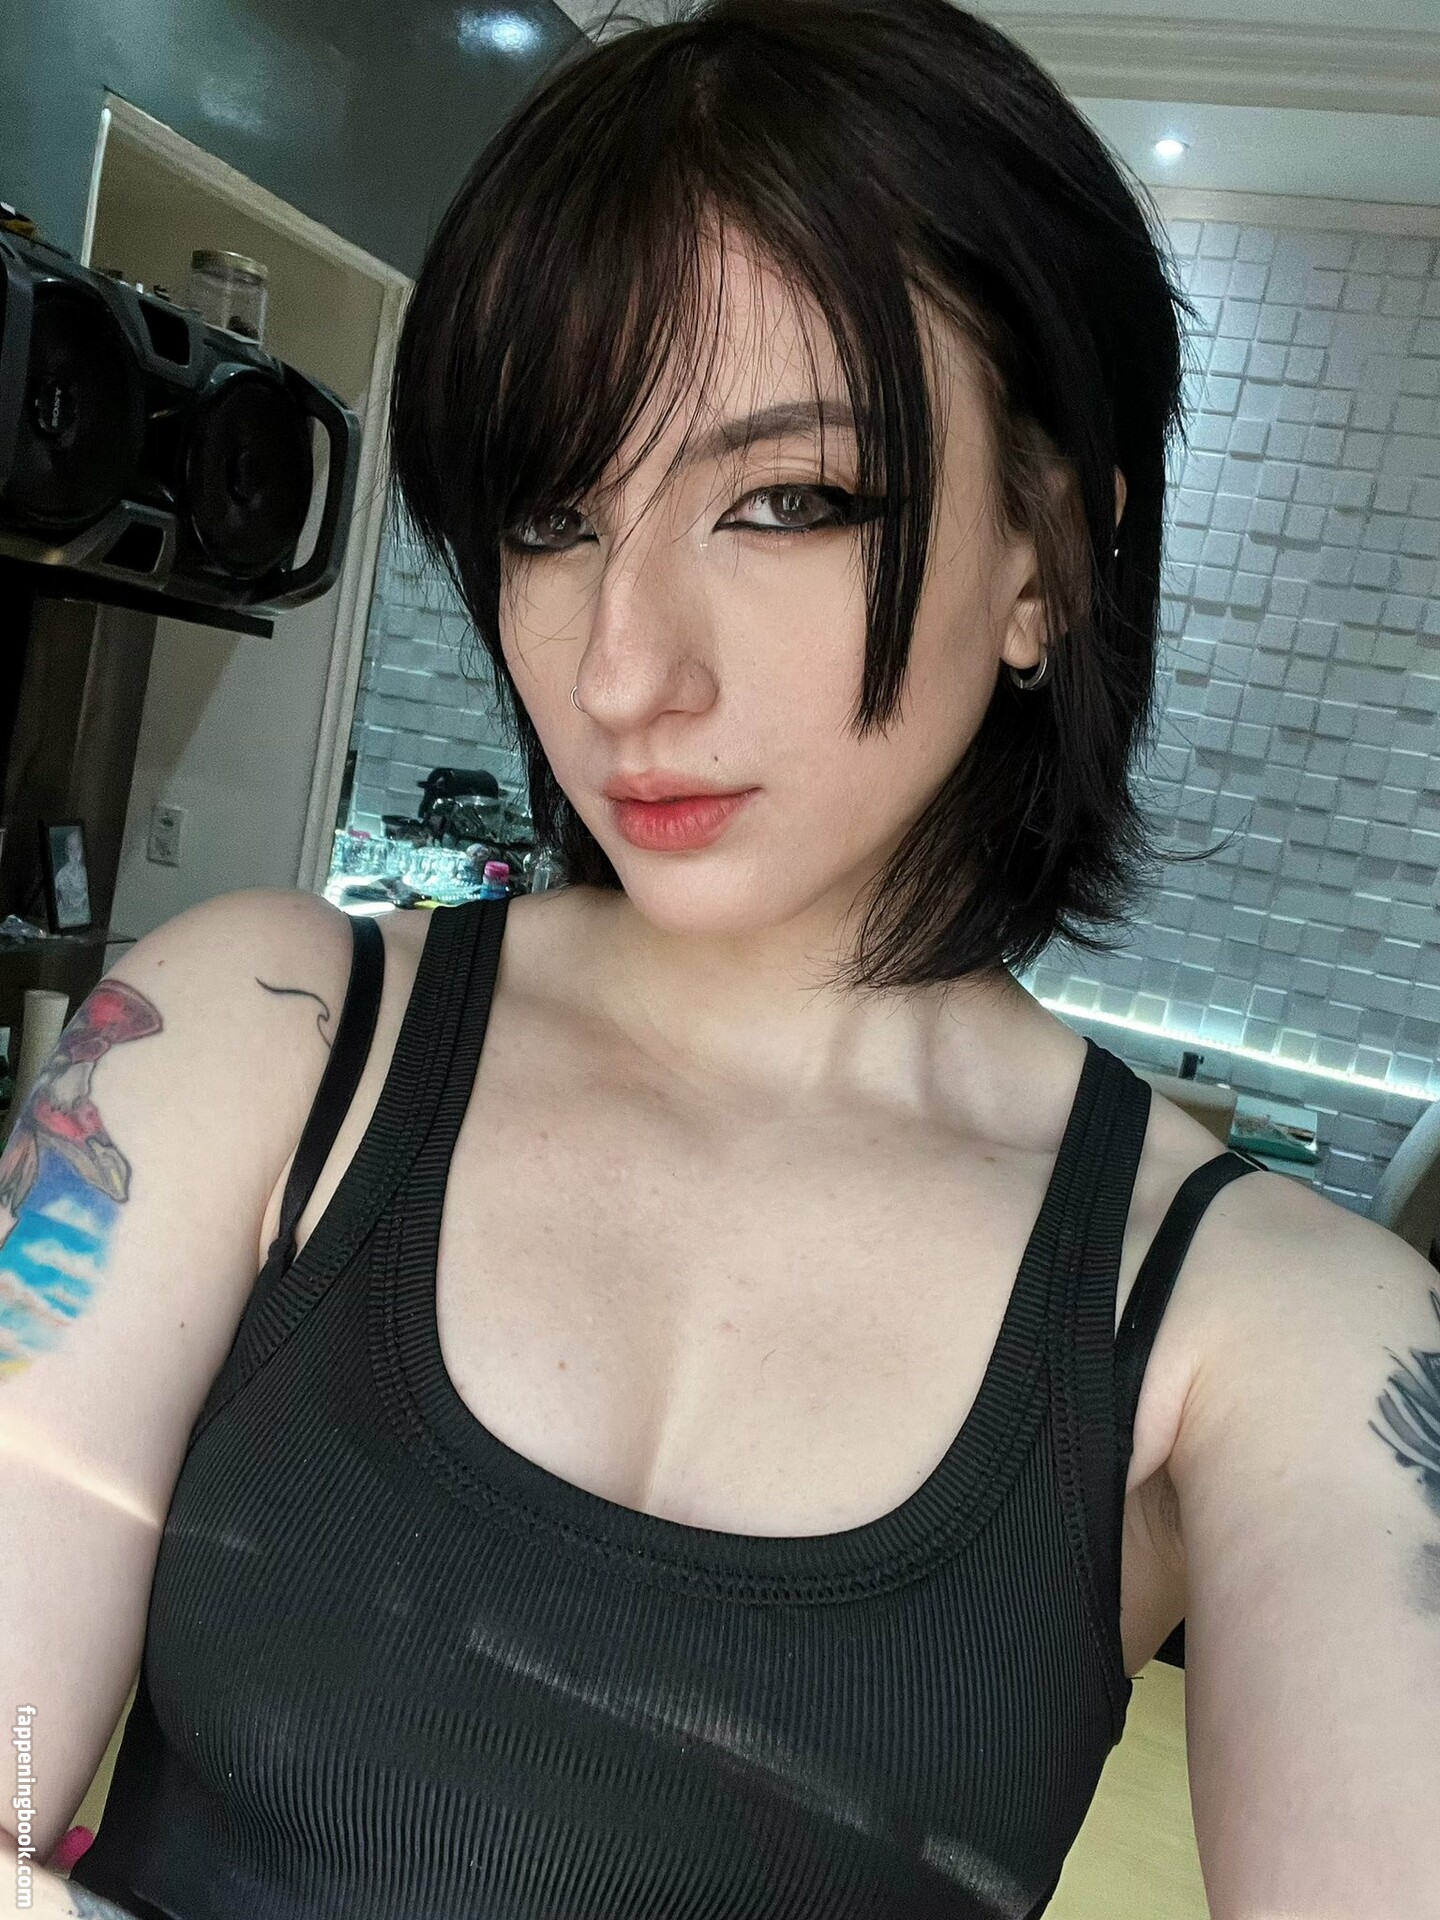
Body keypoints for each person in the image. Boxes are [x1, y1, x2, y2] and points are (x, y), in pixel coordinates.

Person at [4, 1, 1435, 1915]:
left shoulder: (1272, 1334)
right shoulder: (247, 1037)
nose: (620, 671)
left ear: (1046, 557)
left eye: (784, 500)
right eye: (553, 516)